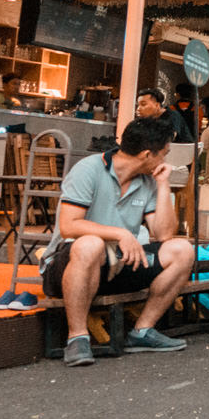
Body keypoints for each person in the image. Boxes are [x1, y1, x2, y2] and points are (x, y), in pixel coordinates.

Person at [40, 117, 195, 366]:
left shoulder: (148, 181)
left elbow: (164, 234)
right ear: (147, 154)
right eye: (164, 154)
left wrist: (164, 183)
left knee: (182, 250)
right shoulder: (88, 169)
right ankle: (77, 339)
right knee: (91, 244)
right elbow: (70, 225)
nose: (165, 161)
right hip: (70, 267)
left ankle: (142, 331)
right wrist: (121, 233)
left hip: (118, 266)